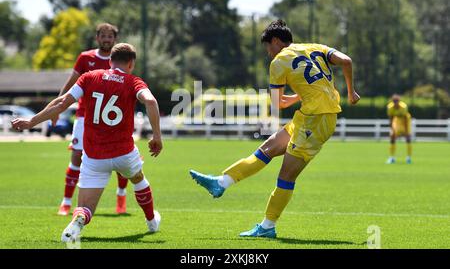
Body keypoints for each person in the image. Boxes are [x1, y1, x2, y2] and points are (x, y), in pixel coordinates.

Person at [189, 20, 360, 238]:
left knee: (286, 177)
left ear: (277, 41)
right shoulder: (314, 47)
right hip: (309, 115)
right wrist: (351, 92)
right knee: (267, 149)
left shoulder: (279, 62)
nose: (269, 53)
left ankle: (268, 226)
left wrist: (296, 97)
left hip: (315, 120)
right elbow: (346, 61)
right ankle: (221, 182)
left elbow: (278, 103)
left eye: (268, 47)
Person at [12, 43, 163, 242]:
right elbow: (151, 101)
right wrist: (157, 136)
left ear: (110, 61)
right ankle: (152, 221)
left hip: (94, 157)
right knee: (138, 178)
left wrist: (32, 121)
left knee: (85, 208)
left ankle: (78, 221)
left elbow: (61, 102)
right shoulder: (133, 81)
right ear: (131, 63)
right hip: (124, 153)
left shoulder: (90, 77)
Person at [54, 23, 131, 216]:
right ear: (97, 38)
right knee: (76, 158)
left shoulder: (118, 61)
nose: (106, 39)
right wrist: (57, 106)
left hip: (113, 120)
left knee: (122, 158)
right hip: (84, 116)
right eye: (103, 36)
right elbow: (70, 84)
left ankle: (121, 195)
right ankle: (66, 202)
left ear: (115, 39)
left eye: (110, 36)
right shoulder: (85, 58)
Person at [386, 94, 412, 164]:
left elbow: (405, 119)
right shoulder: (390, 107)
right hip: (396, 120)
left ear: (399, 101)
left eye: (397, 101)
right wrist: (391, 129)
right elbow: (391, 118)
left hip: (405, 120)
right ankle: (392, 158)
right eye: (394, 101)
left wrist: (406, 131)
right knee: (392, 137)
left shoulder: (403, 107)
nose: (395, 103)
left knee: (408, 138)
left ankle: (408, 158)